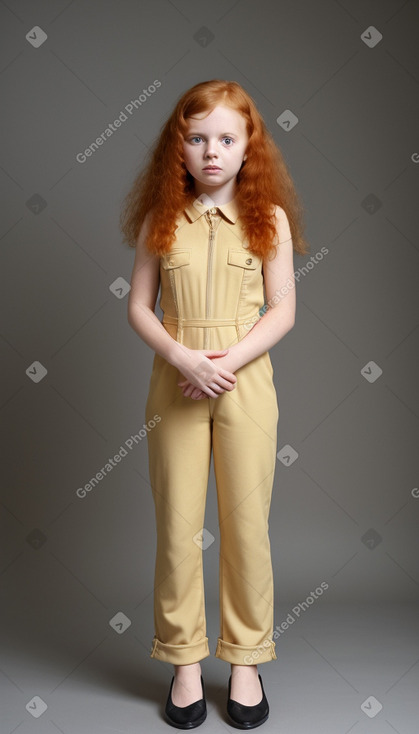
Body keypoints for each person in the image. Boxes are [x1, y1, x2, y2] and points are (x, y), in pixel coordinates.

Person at [120, 79, 308, 729]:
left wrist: (223, 363)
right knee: (176, 528)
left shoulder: (269, 219)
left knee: (246, 527)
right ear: (179, 146)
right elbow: (138, 308)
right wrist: (184, 359)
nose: (210, 152)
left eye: (226, 139)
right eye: (196, 138)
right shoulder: (160, 217)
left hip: (244, 383)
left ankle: (246, 662)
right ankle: (183, 665)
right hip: (174, 381)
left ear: (247, 146)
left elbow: (283, 309)